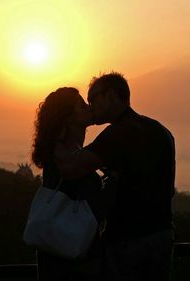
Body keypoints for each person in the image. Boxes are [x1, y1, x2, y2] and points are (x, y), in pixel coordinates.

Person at [55, 72, 176, 281]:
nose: (90, 106)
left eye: (93, 99)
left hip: (128, 240)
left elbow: (71, 168)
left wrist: (53, 140)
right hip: (162, 236)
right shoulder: (161, 131)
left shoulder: (118, 133)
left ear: (110, 95)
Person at [32, 87, 112, 281]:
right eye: (82, 105)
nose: (89, 107)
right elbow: (93, 206)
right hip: (73, 259)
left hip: (56, 253)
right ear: (68, 118)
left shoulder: (61, 153)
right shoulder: (64, 157)